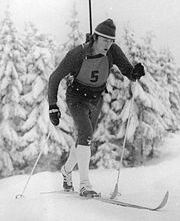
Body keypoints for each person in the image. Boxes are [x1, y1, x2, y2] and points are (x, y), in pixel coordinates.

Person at [48, 19, 145, 197]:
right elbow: (54, 78)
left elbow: (127, 70)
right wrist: (52, 106)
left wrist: (135, 73)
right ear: (95, 37)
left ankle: (66, 171)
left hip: (96, 98)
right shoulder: (77, 54)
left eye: (111, 41)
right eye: (105, 40)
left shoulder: (113, 51)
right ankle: (85, 185)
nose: (108, 44)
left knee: (85, 138)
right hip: (76, 96)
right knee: (85, 132)